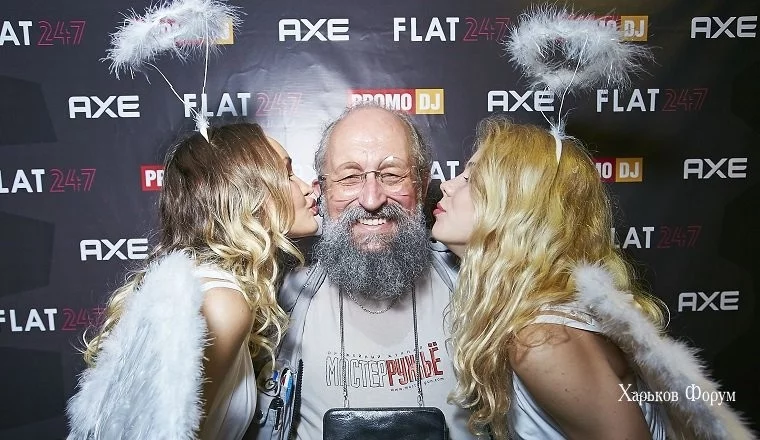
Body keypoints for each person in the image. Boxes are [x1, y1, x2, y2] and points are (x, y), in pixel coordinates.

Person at [432, 116, 755, 440]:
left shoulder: (542, 342)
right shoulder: (537, 318)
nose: (447, 185)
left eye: (471, 179)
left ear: (515, 211)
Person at [66, 122, 319, 440]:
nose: (307, 187)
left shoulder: (196, 286)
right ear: (246, 196)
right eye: (287, 174)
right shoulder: (220, 302)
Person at [251, 103, 481, 439]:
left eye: (391, 175)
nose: (372, 199)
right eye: (349, 177)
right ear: (322, 190)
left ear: (421, 184)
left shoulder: (475, 286)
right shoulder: (277, 295)